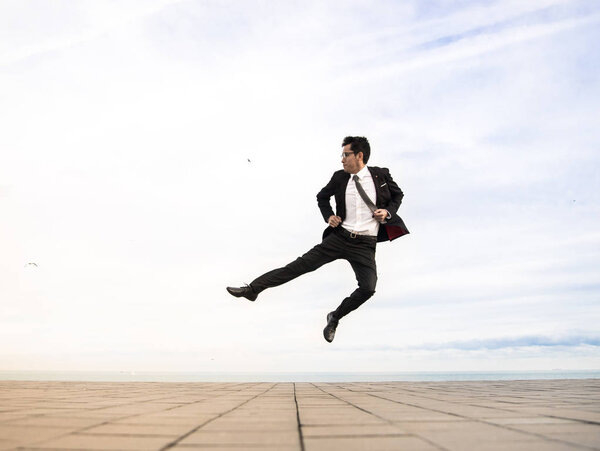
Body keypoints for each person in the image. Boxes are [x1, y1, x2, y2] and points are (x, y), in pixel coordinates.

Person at [226, 136, 409, 342]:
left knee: (368, 288)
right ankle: (253, 289)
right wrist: (329, 216)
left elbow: (398, 195)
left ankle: (335, 317)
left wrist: (387, 212)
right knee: (299, 266)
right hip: (339, 238)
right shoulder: (339, 178)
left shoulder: (380, 175)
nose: (342, 159)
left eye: (345, 155)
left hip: (365, 244)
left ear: (359, 155)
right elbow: (322, 197)